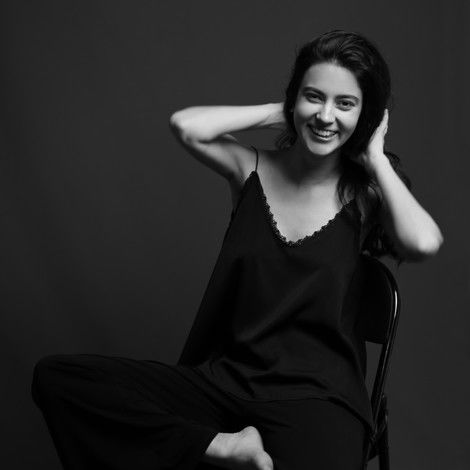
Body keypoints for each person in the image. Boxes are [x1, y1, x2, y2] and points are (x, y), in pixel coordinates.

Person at [31, 30, 443, 470]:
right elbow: (186, 126)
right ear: (295, 98)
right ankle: (220, 446)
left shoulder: (363, 196)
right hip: (226, 381)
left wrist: (376, 158)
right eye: (313, 97)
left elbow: (423, 242)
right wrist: (280, 112)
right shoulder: (251, 168)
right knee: (60, 379)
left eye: (345, 103)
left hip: (318, 398)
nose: (325, 116)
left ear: (365, 115)